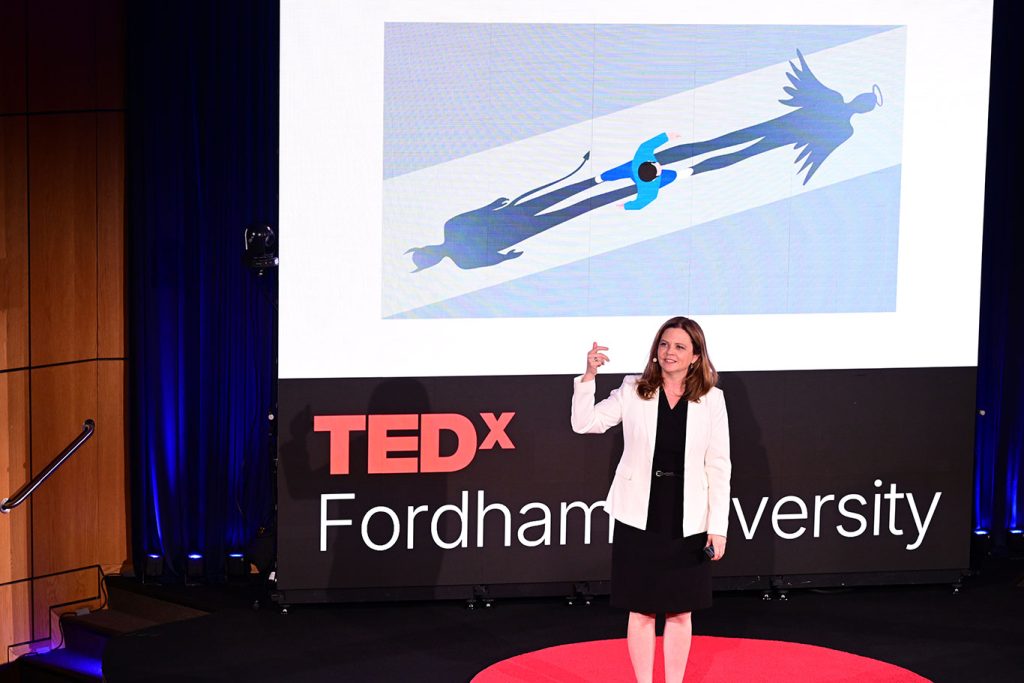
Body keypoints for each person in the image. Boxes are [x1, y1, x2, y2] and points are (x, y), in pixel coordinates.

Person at [570, 317, 731, 683]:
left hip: (688, 515)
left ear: (695, 356)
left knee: (680, 612)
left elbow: (719, 466)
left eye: (679, 347)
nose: (669, 352)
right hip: (639, 513)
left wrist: (717, 528)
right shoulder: (634, 389)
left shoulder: (712, 399)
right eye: (664, 344)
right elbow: (585, 423)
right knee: (640, 611)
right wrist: (588, 377)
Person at [595, 132, 681, 210]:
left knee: (617, 172)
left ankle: (602, 177)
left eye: (656, 165)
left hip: (632, 167)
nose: (660, 166)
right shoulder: (650, 190)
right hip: (633, 170)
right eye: (659, 170)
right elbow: (640, 204)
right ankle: (603, 177)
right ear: (654, 179)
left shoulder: (642, 155)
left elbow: (648, 145)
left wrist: (667, 136)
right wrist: (626, 206)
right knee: (672, 175)